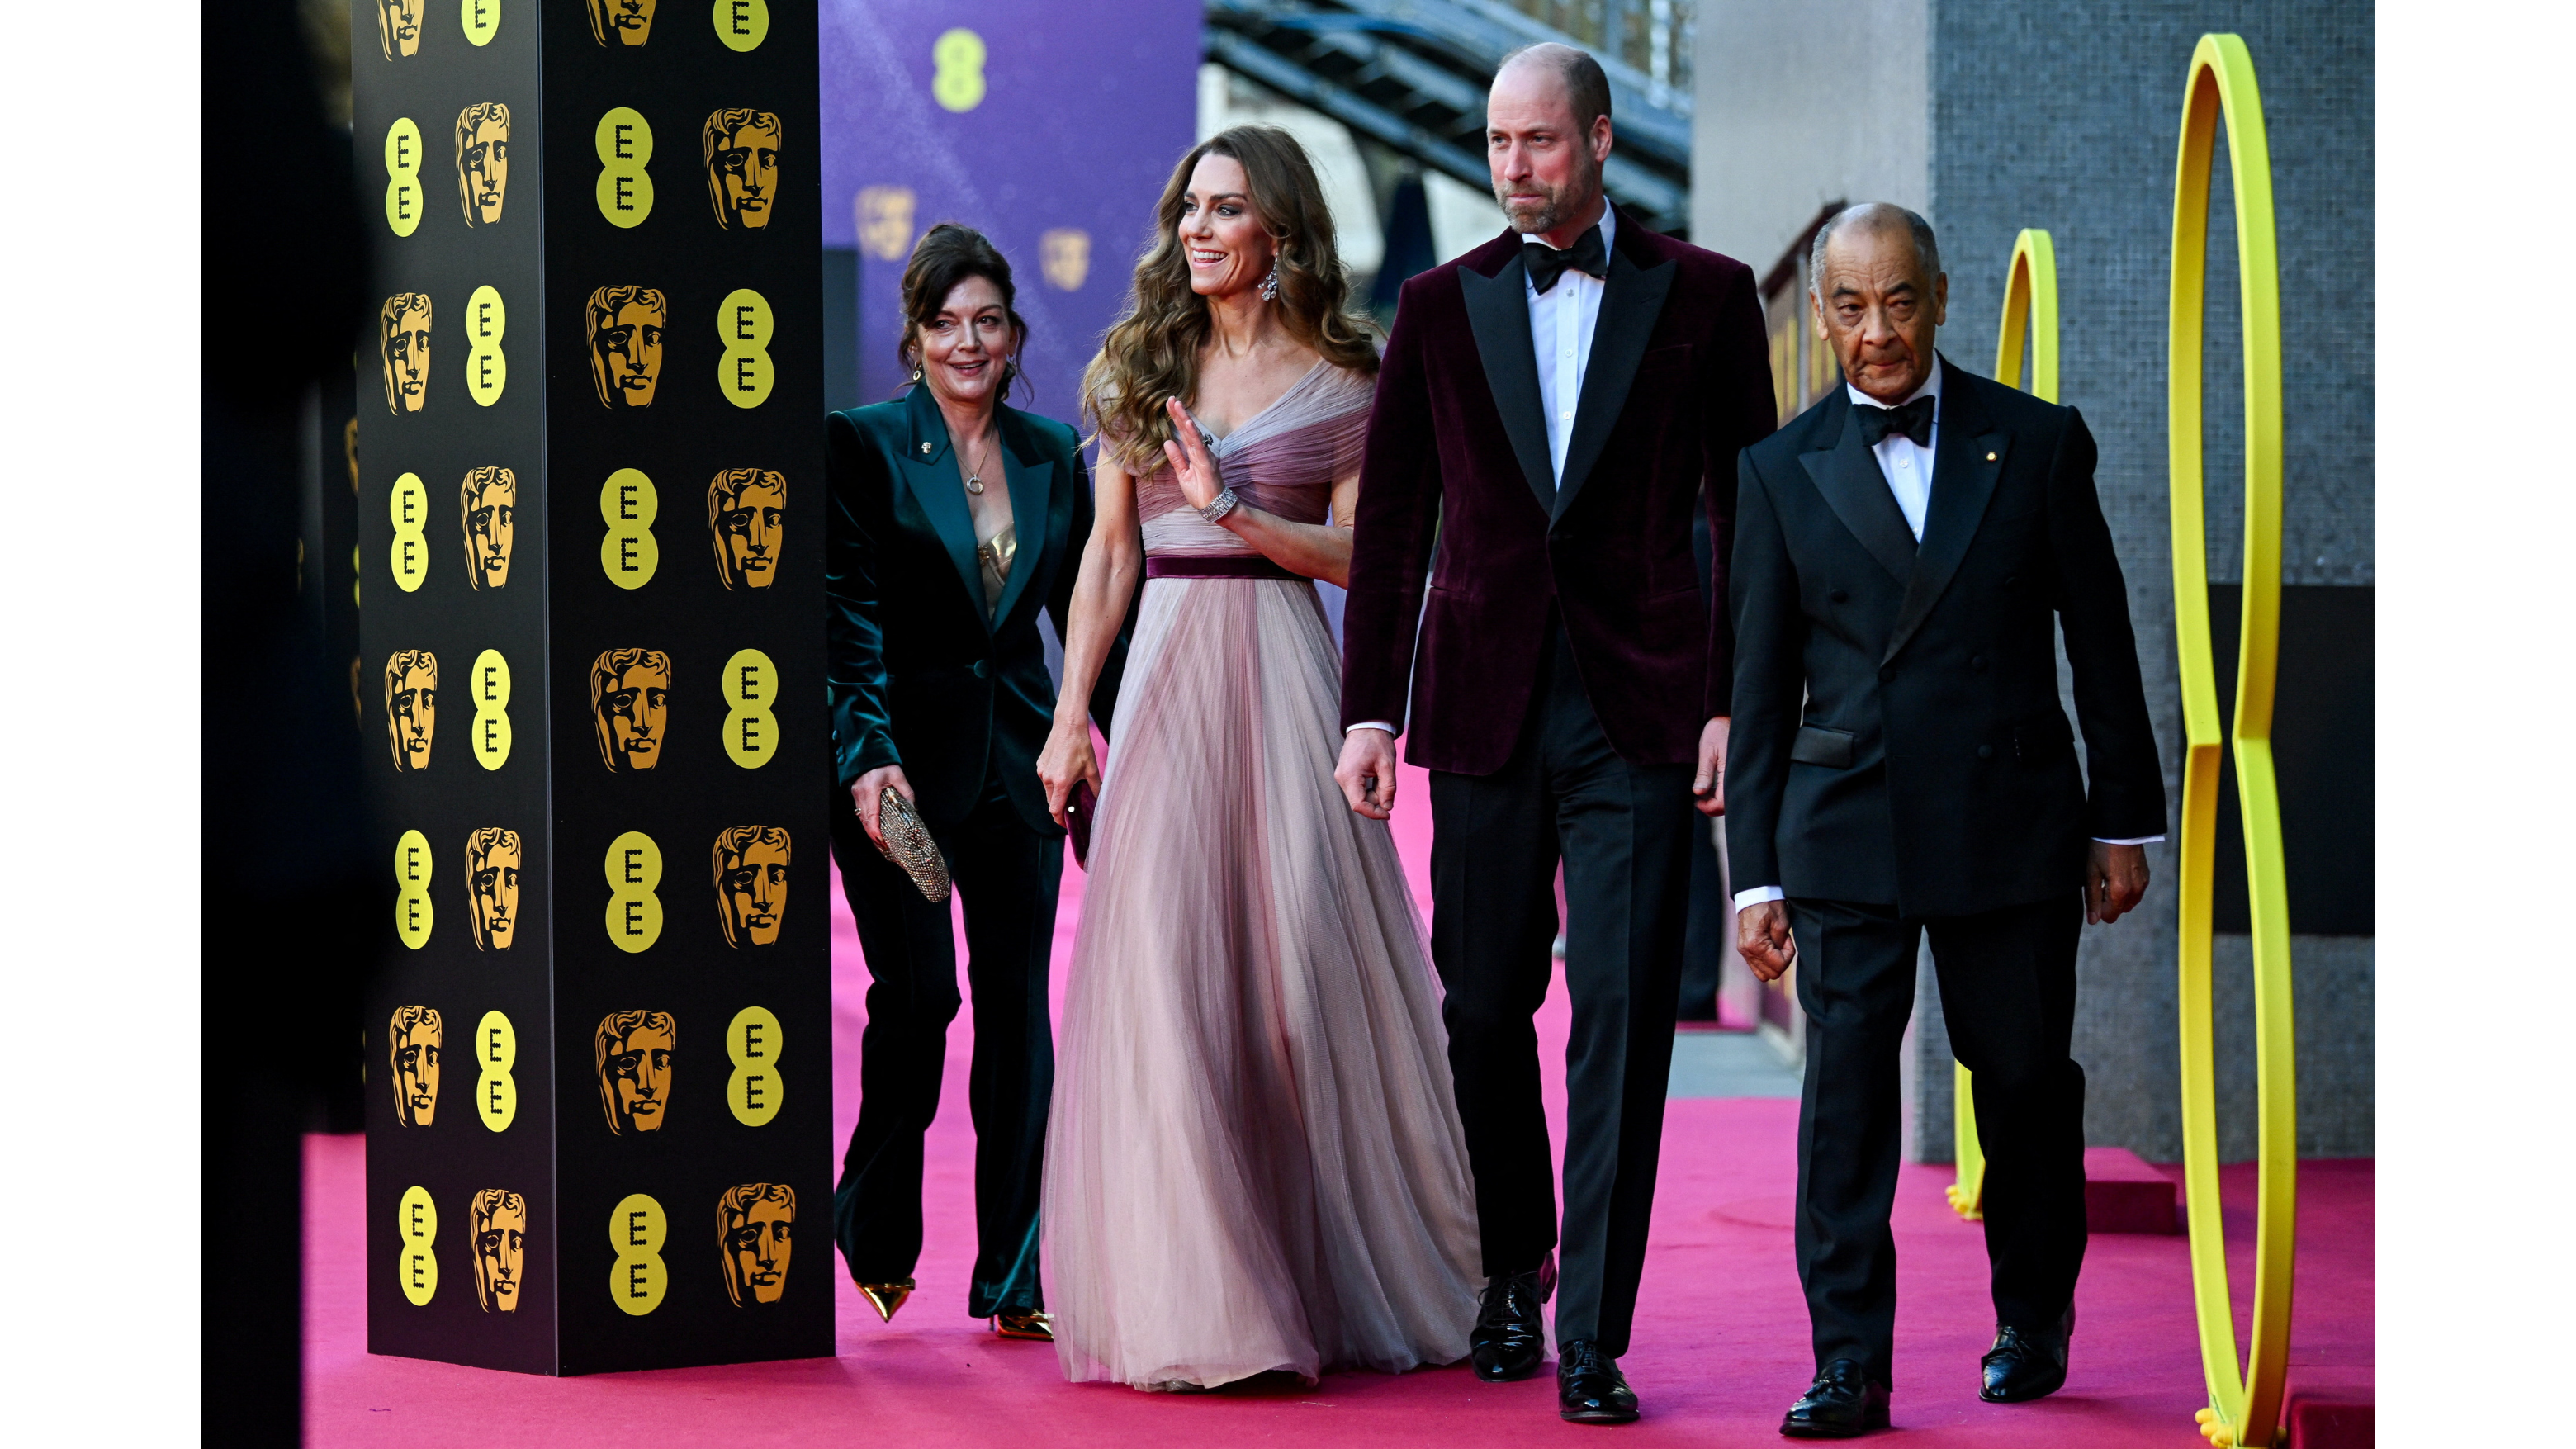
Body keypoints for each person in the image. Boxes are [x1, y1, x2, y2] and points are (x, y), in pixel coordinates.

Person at [1334, 43, 1778, 1425]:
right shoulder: (1435, 303)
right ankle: (1510, 1267)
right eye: (1496, 143)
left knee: (1626, 1015)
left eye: (1538, 141)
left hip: (1642, 704)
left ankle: (1593, 1326)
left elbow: (1743, 514)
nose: (1513, 166)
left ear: (1596, 139)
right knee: (1481, 1005)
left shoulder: (1704, 297)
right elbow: (1396, 520)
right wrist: (1369, 705)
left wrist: (1727, 700)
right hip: (1478, 701)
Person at [1036, 124, 1480, 1392]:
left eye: (1225, 208)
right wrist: (1074, 712)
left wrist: (1238, 510)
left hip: (1288, 674)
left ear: (1279, 230)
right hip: (1167, 671)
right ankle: (1208, 1306)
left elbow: (1371, 559)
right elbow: (1111, 558)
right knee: (1167, 982)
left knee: (1295, 984)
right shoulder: (1141, 365)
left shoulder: (1351, 380)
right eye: (1189, 206)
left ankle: (1345, 1267)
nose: (1197, 228)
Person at [1726, 205, 2165, 1437]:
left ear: (1943, 296)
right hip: (1846, 830)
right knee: (1849, 1101)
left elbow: (2102, 638)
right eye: (1851, 307)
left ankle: (2032, 1313)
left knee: (2021, 1081)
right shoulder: (1777, 469)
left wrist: (2122, 816)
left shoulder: (2034, 444)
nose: (1877, 332)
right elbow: (1756, 692)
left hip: (2010, 820)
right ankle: (1849, 1361)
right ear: (1821, 316)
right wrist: (1753, 871)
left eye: (1899, 302)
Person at [826, 222, 1122, 1342]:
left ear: (1014, 334)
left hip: (1021, 778)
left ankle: (1018, 1271)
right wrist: (865, 757)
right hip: (897, 782)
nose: (967, 341)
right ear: (913, 337)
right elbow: (844, 619)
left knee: (1016, 1010)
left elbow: (1091, 621)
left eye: (987, 321)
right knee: (921, 998)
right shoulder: (860, 445)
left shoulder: (1053, 454)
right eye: (945, 323)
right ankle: (876, 1222)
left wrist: (1097, 728)